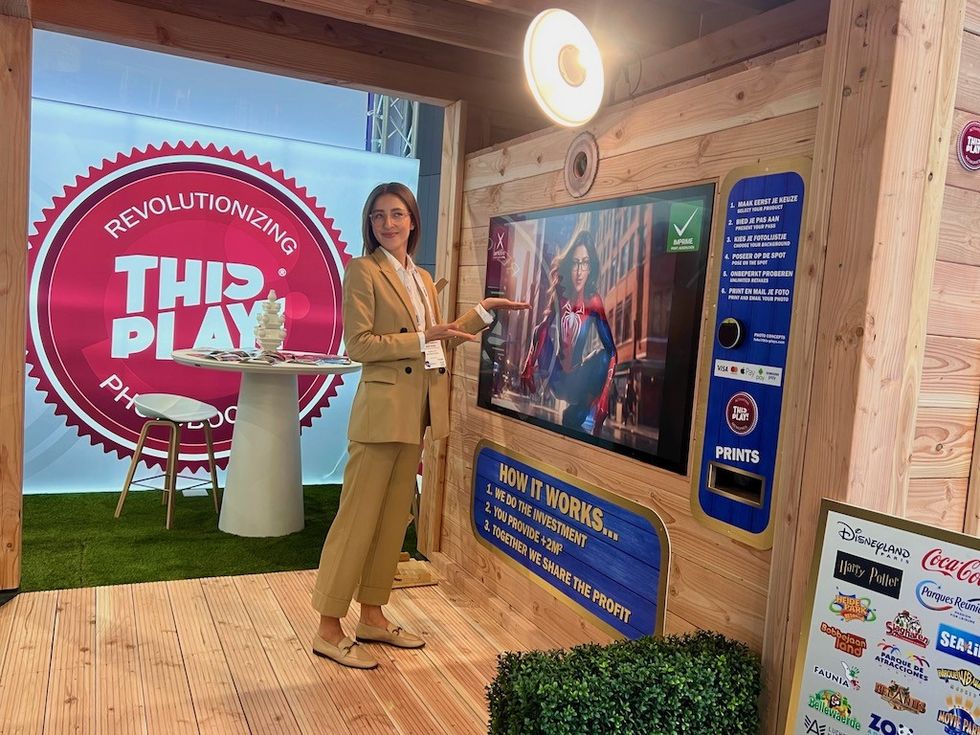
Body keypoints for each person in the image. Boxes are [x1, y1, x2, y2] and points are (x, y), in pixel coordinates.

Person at [310, 182, 528, 669]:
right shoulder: (362, 271)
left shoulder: (423, 279)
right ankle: (328, 625)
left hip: (418, 415)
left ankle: (372, 615)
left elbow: (436, 343)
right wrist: (422, 335)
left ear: (413, 220)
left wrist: (480, 314)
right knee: (356, 521)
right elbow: (360, 346)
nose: (388, 223)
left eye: (397, 214)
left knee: (392, 522)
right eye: (379, 216)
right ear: (370, 224)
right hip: (381, 415)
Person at [520, 230, 617, 435]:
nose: (579, 271)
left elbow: (612, 352)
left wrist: (603, 397)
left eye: (585, 263)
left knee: (604, 356)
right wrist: (529, 364)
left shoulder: (594, 301)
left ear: (591, 268)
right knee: (541, 329)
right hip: (555, 378)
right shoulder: (561, 294)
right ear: (569, 265)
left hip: (578, 384)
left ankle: (581, 409)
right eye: (575, 263)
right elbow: (542, 328)